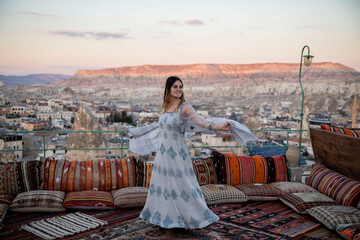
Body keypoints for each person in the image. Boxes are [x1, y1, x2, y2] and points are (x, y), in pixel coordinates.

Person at [138, 76, 231, 229]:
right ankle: (166, 218)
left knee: (182, 183)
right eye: (175, 86)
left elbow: (201, 121)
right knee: (164, 184)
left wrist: (220, 127)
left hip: (178, 152)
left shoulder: (185, 107)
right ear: (168, 89)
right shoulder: (166, 106)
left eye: (180, 86)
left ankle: (191, 216)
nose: (179, 89)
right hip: (163, 153)